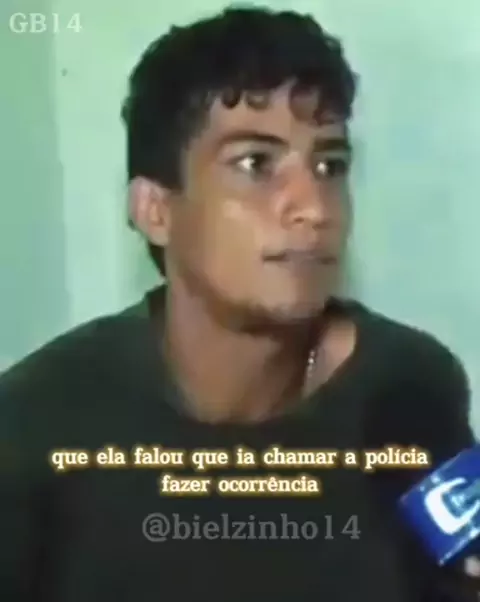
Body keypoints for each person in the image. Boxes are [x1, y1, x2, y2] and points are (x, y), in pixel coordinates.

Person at [0, 6, 478, 601]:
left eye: (330, 165)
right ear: (155, 210)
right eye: (255, 163)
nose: (314, 207)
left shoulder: (410, 388)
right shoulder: (36, 427)